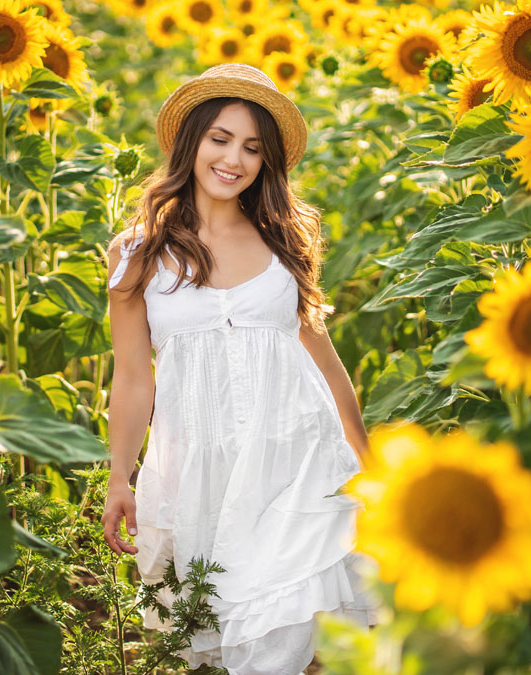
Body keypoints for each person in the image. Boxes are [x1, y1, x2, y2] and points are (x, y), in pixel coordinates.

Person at [101, 63, 383, 675]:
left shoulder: (284, 242)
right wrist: (120, 477)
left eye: (253, 148)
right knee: (236, 641)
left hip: (298, 469)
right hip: (206, 478)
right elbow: (132, 379)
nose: (235, 159)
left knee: (304, 644)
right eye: (220, 139)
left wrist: (370, 466)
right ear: (191, 143)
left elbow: (328, 366)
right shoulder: (138, 253)